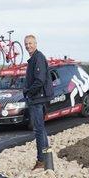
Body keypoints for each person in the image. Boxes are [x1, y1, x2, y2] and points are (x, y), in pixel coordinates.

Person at [22, 34, 53, 170]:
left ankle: (41, 161)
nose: (28, 46)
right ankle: (46, 159)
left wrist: (28, 92)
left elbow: (39, 80)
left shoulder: (38, 58)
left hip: (37, 99)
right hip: (36, 98)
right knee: (41, 129)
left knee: (39, 130)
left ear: (36, 44)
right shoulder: (34, 58)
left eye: (30, 43)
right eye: (26, 44)